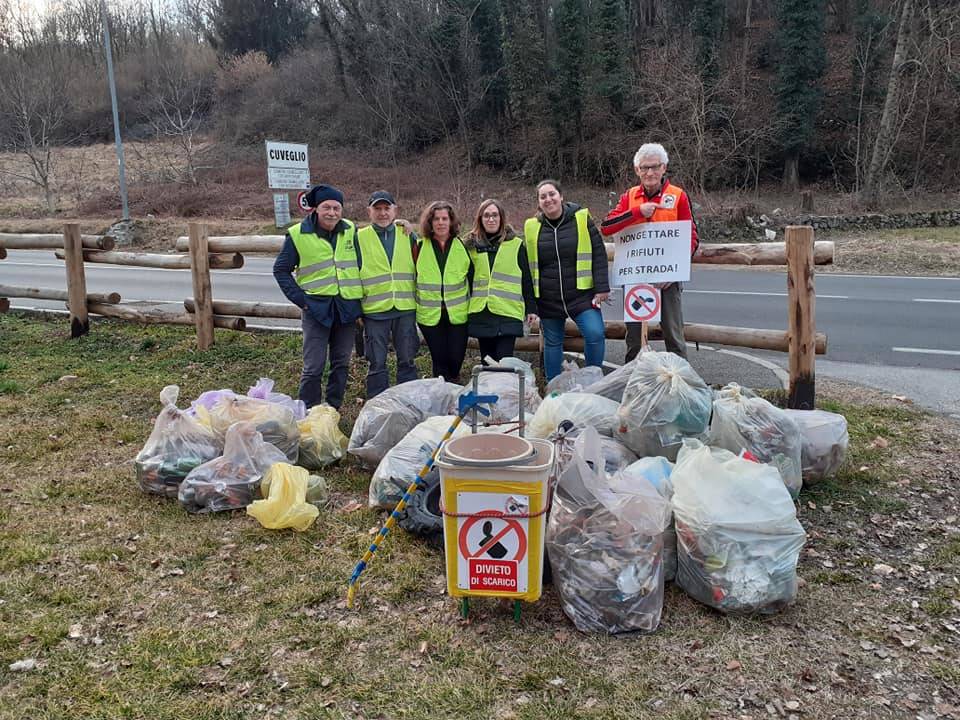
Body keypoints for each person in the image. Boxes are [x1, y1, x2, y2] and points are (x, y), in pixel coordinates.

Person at [600, 143, 699, 361]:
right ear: (637, 171)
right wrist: (636, 212)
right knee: (634, 337)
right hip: (635, 277)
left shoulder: (678, 196)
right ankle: (634, 380)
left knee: (674, 335)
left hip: (668, 279)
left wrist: (674, 273)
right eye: (644, 168)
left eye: (654, 167)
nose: (650, 172)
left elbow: (691, 237)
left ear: (664, 167)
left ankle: (680, 382)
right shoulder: (629, 196)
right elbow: (606, 226)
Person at [272, 184, 361, 409]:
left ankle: (333, 409)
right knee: (313, 367)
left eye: (336, 208)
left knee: (341, 363)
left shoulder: (350, 229)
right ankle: (308, 412)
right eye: (326, 207)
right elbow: (281, 270)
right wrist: (302, 301)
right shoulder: (298, 234)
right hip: (316, 309)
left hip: (346, 307)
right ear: (315, 209)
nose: (332, 212)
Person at [523, 179, 610, 380]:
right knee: (553, 343)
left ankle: (593, 379)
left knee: (595, 334)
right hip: (548, 298)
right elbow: (527, 266)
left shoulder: (580, 218)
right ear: (538, 202)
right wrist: (531, 305)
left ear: (561, 196)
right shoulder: (531, 227)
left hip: (581, 295)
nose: (548, 199)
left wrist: (602, 287)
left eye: (552, 194)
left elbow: (598, 252)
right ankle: (553, 389)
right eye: (542, 196)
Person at [355, 190, 420, 398]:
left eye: (387, 208)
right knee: (376, 363)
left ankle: (407, 402)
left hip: (405, 309)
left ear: (395, 211)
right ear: (369, 212)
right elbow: (353, 274)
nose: (382, 213)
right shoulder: (359, 237)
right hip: (375, 311)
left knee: (407, 360)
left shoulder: (408, 235)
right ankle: (378, 406)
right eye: (377, 208)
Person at [464, 199, 538, 362]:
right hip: (482, 312)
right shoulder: (471, 247)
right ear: (480, 219)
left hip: (508, 313)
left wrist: (531, 308)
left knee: (504, 362)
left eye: (495, 215)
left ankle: (503, 388)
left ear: (502, 218)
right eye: (487, 216)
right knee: (487, 362)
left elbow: (526, 278)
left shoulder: (516, 244)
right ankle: (486, 388)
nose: (491, 219)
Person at [415, 201, 470, 382]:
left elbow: (472, 276)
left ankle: (454, 394)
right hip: (430, 315)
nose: (440, 223)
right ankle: (440, 399)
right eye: (436, 219)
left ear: (451, 221)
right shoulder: (419, 246)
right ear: (429, 223)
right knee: (439, 362)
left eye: (444, 218)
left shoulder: (463, 246)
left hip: (458, 314)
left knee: (455, 360)